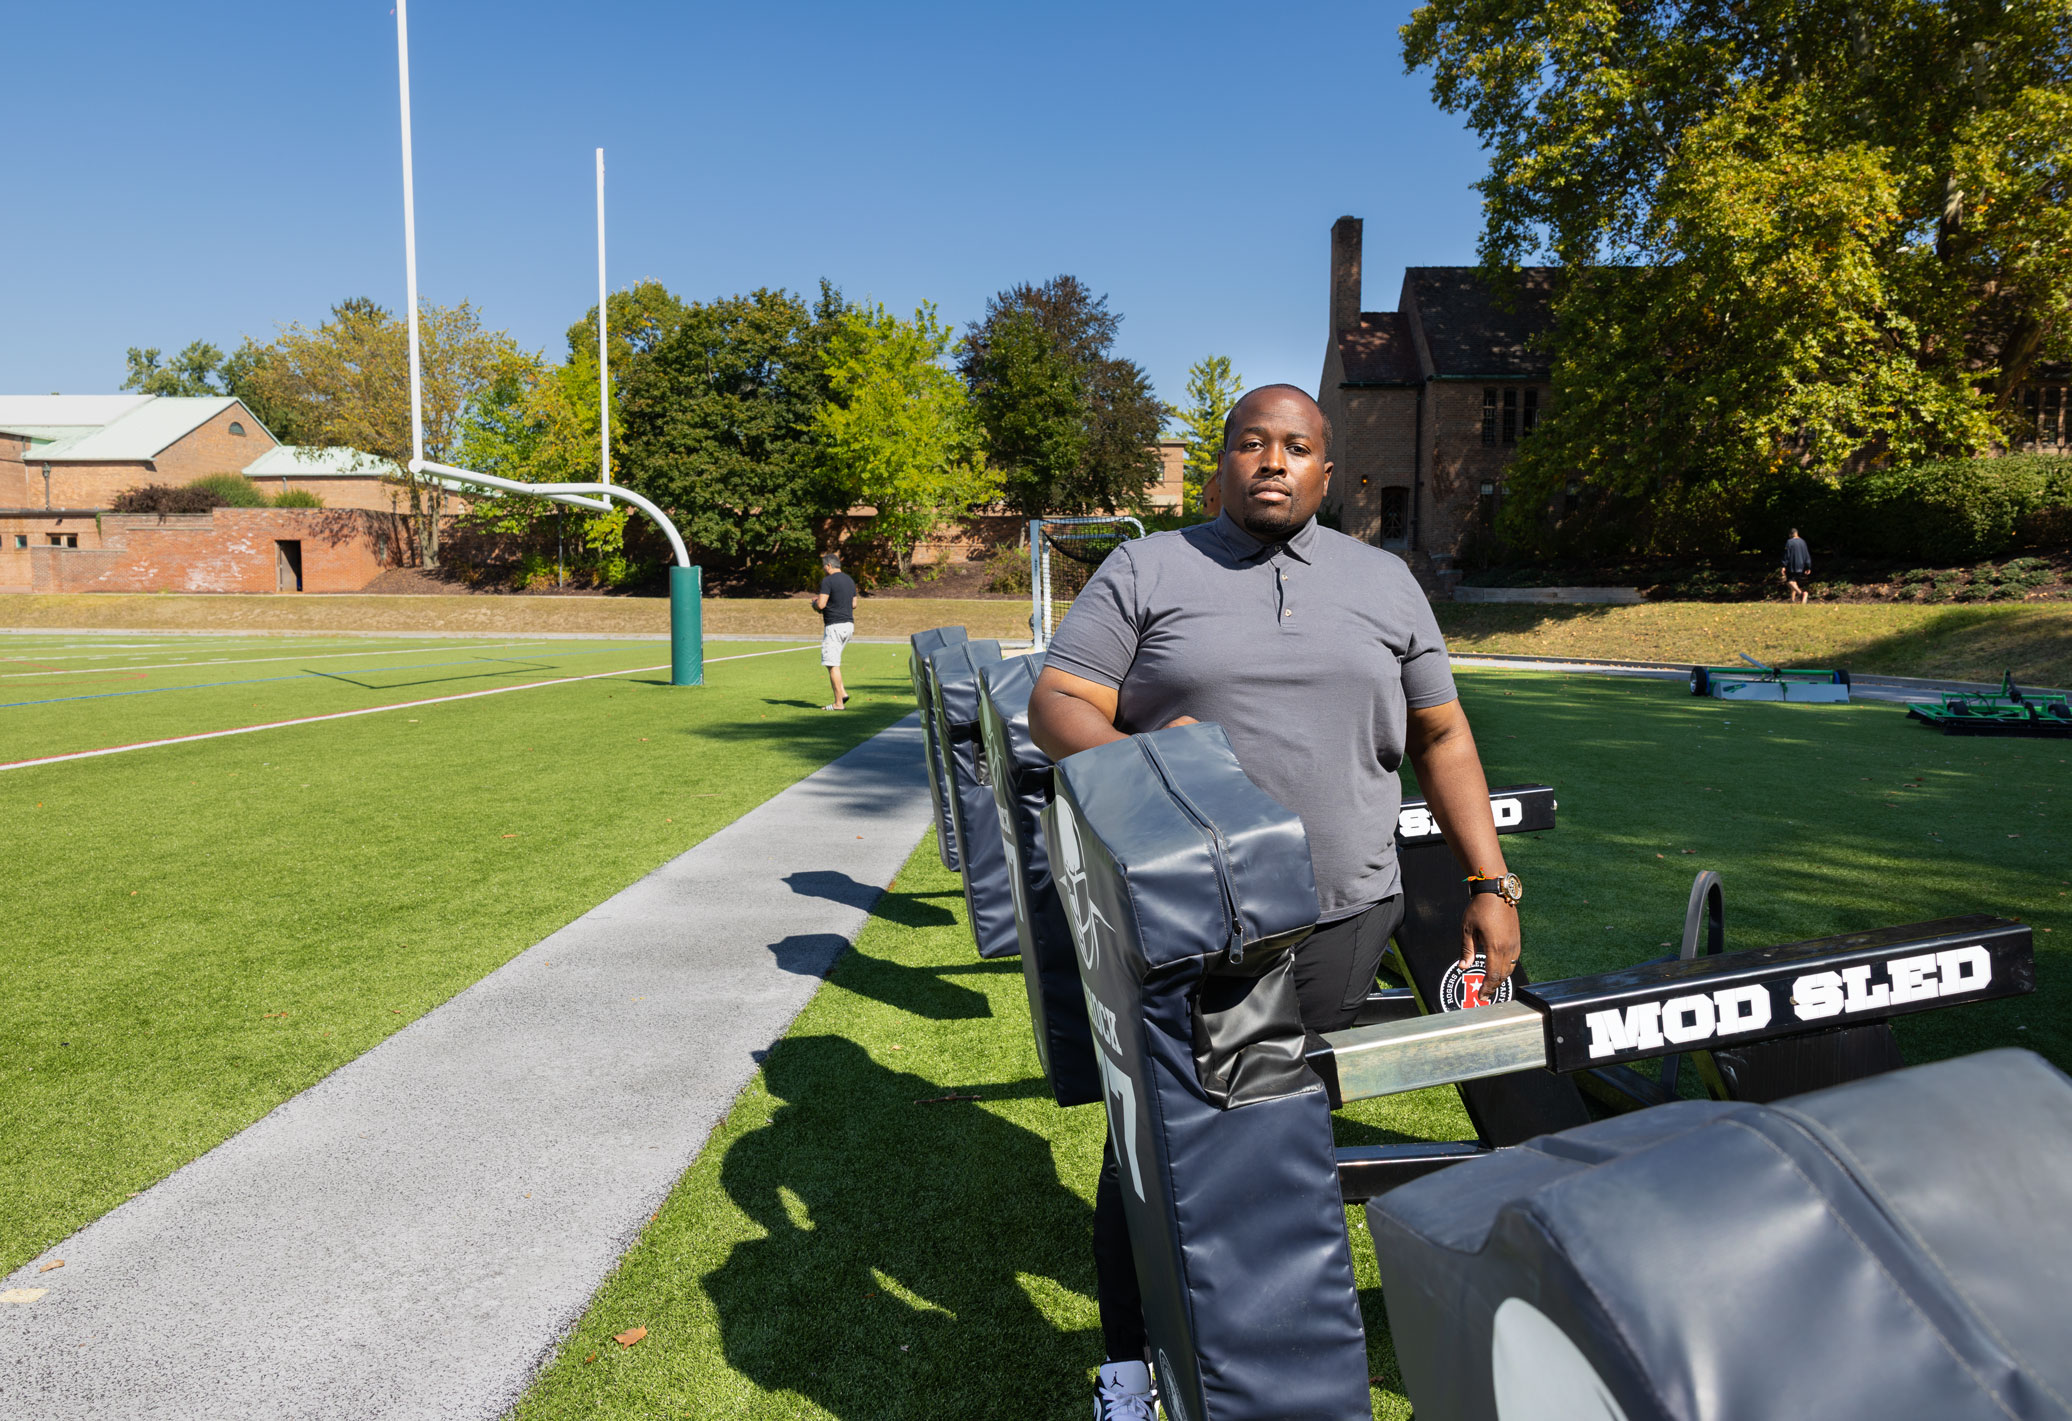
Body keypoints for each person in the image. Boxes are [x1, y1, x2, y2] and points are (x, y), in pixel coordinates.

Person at [1027, 383, 1522, 1420]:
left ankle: (1258, 1349)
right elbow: (1058, 702)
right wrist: (1153, 776)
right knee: (1169, 1135)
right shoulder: (1149, 565)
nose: (1271, 461)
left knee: (1275, 1128)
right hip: (1194, 915)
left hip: (1346, 914)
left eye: (1294, 447)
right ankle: (1129, 1371)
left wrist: (1488, 880)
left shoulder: (1384, 583)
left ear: (1324, 473)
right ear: (1220, 464)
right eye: (1251, 443)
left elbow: (1443, 737)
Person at [811, 551, 857, 709]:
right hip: (849, 625)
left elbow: (822, 605)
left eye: (824, 567)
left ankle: (838, 703)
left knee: (832, 664)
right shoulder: (850, 580)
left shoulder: (828, 580)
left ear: (829, 565)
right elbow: (854, 604)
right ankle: (842, 693)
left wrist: (814, 604)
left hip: (834, 626)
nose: (824, 569)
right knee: (834, 661)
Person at [1782, 529, 1813, 604]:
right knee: (1794, 582)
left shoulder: (1789, 542)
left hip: (1792, 565)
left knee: (1789, 581)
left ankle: (1802, 594)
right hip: (1801, 565)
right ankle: (1792, 600)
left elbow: (1787, 554)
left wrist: (1783, 565)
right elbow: (1806, 554)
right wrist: (1808, 566)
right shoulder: (1803, 542)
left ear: (1791, 534)